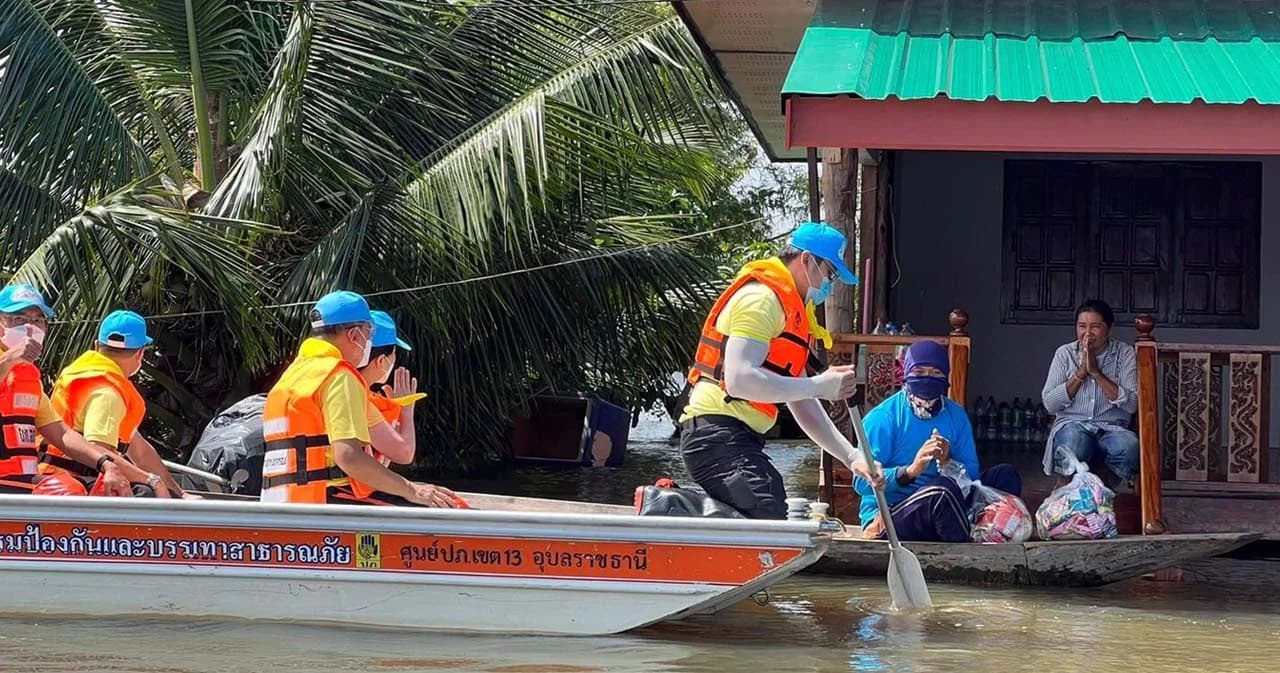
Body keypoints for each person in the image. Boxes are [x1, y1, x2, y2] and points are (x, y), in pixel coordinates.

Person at [678, 221, 881, 519]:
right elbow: (739, 380)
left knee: (775, 503)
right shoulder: (761, 301)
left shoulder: (792, 313)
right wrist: (818, 385)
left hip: (739, 437)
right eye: (831, 273)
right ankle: (670, 505)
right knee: (767, 511)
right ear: (807, 260)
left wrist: (851, 457)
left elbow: (801, 401)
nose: (830, 283)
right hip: (713, 434)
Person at [261, 291, 455, 507]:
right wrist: (412, 490)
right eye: (369, 333)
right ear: (355, 335)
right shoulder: (339, 376)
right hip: (327, 502)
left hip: (283, 505)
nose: (369, 341)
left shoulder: (293, 375)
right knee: (450, 506)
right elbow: (349, 456)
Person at [854, 341, 1022, 542]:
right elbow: (860, 483)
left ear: (946, 377)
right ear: (907, 374)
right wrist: (911, 471)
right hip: (893, 512)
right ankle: (969, 555)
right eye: (919, 371)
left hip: (949, 502)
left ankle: (991, 534)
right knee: (941, 492)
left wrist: (948, 461)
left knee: (1005, 476)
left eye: (935, 373)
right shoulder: (884, 418)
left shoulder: (955, 415)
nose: (927, 378)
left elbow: (972, 475)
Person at [37, 309, 180, 497]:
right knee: (146, 492)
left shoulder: (86, 375)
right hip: (69, 485)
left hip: (48, 475)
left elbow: (140, 450)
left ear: (97, 346)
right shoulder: (108, 393)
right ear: (140, 353)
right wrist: (153, 481)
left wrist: (178, 493)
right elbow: (99, 450)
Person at [1040, 299, 1139, 487]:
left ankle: (1102, 491)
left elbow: (1132, 404)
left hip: (1112, 427)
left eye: (1095, 327)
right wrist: (1080, 374)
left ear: (1108, 329)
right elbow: (1050, 404)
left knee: (1130, 446)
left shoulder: (1124, 354)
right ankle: (1066, 491)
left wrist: (1095, 372)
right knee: (1072, 443)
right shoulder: (1065, 353)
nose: (1087, 333)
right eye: (1081, 326)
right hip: (1073, 424)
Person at [348, 310, 424, 500]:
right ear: (381, 361)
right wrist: (406, 410)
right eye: (394, 355)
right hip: (341, 496)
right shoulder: (358, 397)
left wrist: (393, 413)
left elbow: (381, 463)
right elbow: (405, 454)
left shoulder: (353, 390)